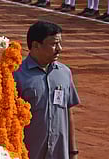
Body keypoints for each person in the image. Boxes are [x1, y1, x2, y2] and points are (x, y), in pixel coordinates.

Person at [14, 21, 80, 159]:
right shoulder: (17, 74)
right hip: (28, 152)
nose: (59, 48)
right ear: (36, 45)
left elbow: (68, 112)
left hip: (59, 152)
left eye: (60, 43)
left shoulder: (64, 73)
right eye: (53, 44)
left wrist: (73, 151)